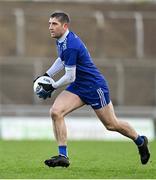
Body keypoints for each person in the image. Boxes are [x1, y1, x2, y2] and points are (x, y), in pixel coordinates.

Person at [34, 12, 150, 168]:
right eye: (49, 23)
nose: (50, 27)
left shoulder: (71, 45)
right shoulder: (62, 40)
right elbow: (62, 60)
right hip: (79, 86)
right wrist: (47, 75)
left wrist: (52, 85)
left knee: (111, 125)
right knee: (56, 112)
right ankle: (63, 156)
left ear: (65, 26)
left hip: (95, 87)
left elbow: (70, 76)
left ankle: (140, 141)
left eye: (54, 24)